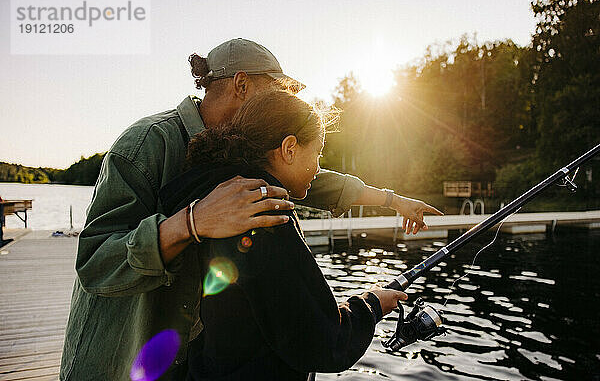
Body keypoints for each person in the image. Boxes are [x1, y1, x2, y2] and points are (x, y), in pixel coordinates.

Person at [59, 38, 442, 381]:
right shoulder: (147, 144)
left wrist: (393, 200)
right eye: (274, 93)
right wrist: (192, 222)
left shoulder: (243, 161)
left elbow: (311, 179)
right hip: (117, 360)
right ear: (242, 86)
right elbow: (95, 261)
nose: (282, 105)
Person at [159, 89, 408, 380]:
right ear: (289, 149)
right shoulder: (266, 214)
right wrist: (372, 304)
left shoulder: (217, 197)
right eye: (317, 153)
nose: (317, 167)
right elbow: (320, 342)